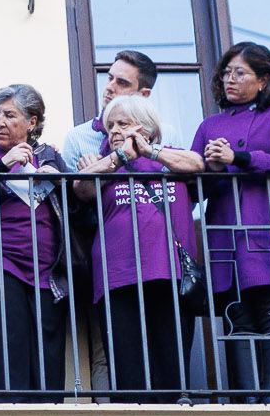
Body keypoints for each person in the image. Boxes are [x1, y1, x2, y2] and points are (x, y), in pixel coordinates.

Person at [191, 43, 270, 366]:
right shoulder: (209, 126)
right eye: (226, 73)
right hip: (225, 233)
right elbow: (193, 187)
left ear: (263, 80)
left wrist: (239, 157)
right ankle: (245, 396)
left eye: (239, 72)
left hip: (269, 226)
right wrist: (213, 169)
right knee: (236, 317)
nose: (229, 79)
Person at [0, 83, 75, 399]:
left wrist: (56, 177)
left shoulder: (49, 155)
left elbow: (74, 206)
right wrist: (0, 166)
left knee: (47, 359)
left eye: (9, 115)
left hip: (48, 273)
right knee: (5, 350)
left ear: (32, 122)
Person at [79, 93, 191, 399]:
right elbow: (80, 186)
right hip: (117, 274)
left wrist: (152, 153)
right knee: (128, 370)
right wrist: (119, 157)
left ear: (146, 128)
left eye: (122, 123)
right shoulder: (103, 163)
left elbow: (199, 164)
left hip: (169, 270)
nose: (113, 130)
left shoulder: (171, 157)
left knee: (171, 360)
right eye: (110, 125)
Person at [61, 50, 158, 171]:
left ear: (143, 94)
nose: (109, 87)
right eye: (110, 78)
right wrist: (89, 174)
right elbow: (69, 188)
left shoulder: (165, 134)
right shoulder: (77, 138)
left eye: (122, 83)